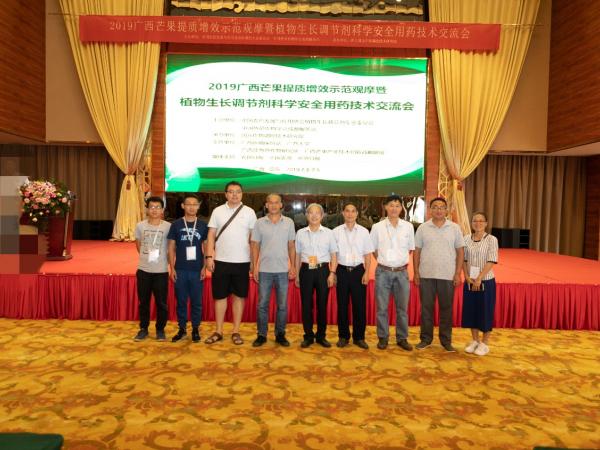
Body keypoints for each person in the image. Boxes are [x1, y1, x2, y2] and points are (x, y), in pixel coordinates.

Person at [204, 181, 257, 345]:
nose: (235, 195)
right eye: (231, 192)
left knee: (239, 297)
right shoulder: (217, 211)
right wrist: (209, 257)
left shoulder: (249, 212)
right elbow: (211, 235)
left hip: (242, 262)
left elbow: (253, 240)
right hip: (221, 261)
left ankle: (236, 331)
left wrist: (253, 261)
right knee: (220, 297)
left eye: (238, 192)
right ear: (226, 194)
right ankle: (219, 331)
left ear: (242, 194)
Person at [414, 197, 464, 352]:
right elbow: (417, 252)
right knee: (426, 309)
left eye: (441, 207)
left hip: (447, 275)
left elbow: (460, 252)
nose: (438, 210)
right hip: (426, 275)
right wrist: (416, 272)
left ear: (446, 210)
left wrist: (457, 273)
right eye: (435, 207)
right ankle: (425, 339)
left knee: (446, 310)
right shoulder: (423, 228)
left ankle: (446, 341)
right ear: (430, 209)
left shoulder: (454, 228)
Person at [370, 195, 415, 351]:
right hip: (383, 272)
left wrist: (398, 262)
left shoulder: (408, 227)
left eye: (397, 205)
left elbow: (410, 249)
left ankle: (402, 338)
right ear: (385, 207)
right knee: (382, 308)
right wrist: (384, 261)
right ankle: (383, 337)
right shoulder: (377, 227)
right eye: (391, 205)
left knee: (402, 309)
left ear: (401, 208)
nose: (394, 208)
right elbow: (373, 249)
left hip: (402, 273)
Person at [251, 194, 296, 347]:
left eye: (277, 202)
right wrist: (254, 266)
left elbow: (291, 245)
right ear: (266, 205)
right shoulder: (259, 223)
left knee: (282, 306)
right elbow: (255, 246)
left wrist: (293, 266)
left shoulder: (289, 222)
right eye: (270, 202)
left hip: (283, 270)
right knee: (262, 305)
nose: (274, 205)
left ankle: (280, 334)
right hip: (264, 270)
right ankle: (261, 334)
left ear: (281, 205)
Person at [295, 203, 338, 348]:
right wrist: (297, 274)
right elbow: (297, 255)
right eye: (311, 213)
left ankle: (321, 336)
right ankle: (308, 336)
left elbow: (333, 255)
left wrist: (332, 273)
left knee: (322, 305)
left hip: (322, 271)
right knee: (306, 305)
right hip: (306, 271)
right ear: (306, 215)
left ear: (322, 216)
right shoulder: (300, 233)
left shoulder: (329, 233)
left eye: (317, 213)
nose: (314, 216)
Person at [167, 194, 208, 343]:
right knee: (181, 301)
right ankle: (182, 329)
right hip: (181, 269)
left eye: (194, 204)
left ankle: (195, 328)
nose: (191, 207)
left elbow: (206, 247)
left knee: (197, 302)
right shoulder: (176, 224)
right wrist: (172, 268)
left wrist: (204, 267)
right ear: (183, 206)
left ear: (198, 206)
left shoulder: (203, 225)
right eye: (188, 204)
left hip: (197, 269)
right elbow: (171, 247)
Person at [333, 203, 374, 349]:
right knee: (342, 306)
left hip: (358, 271)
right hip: (342, 271)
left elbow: (368, 254)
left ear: (357, 214)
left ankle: (359, 337)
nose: (350, 214)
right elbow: (333, 254)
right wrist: (333, 272)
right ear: (343, 213)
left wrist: (367, 272)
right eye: (347, 211)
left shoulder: (364, 232)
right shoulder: (336, 232)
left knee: (359, 306)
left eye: (353, 211)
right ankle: (343, 336)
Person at [133, 196, 171, 342]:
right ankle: (143, 329)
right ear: (147, 209)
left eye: (158, 207)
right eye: (152, 207)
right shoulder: (140, 226)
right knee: (143, 302)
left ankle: (160, 330)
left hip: (161, 271)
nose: (154, 210)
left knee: (162, 303)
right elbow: (138, 245)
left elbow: (171, 248)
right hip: (143, 270)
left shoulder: (168, 227)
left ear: (162, 210)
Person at [462, 212, 499, 356]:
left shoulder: (491, 239)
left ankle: (485, 343)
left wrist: (480, 278)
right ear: (471, 223)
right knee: (472, 311)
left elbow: (491, 260)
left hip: (486, 280)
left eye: (481, 221)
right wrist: (466, 276)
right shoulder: (466, 239)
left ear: (486, 223)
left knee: (485, 311)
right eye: (475, 221)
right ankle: (475, 340)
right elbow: (464, 259)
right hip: (470, 280)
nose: (478, 223)